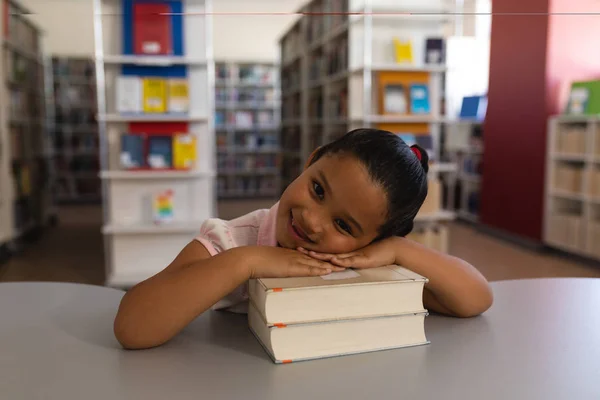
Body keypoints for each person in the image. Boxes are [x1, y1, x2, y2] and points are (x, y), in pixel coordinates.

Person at [113, 128, 493, 350]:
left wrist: (398, 249)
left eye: (344, 226)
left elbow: (477, 297)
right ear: (311, 161)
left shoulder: (366, 259)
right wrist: (246, 262)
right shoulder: (230, 240)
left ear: (374, 239)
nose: (312, 221)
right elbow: (133, 327)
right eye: (317, 189)